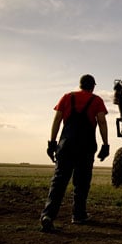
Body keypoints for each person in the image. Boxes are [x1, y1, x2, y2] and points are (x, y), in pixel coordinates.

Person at [40, 74, 109, 233]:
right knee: (82, 182)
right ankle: (78, 215)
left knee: (59, 181)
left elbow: (57, 120)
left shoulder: (66, 97)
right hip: (85, 147)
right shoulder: (96, 100)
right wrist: (105, 144)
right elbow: (102, 122)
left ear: (80, 85)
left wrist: (52, 143)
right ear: (92, 86)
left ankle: (48, 216)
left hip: (66, 145)